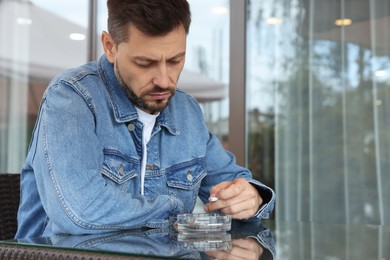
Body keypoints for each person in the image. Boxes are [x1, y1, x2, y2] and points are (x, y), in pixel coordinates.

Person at [15, 0, 275, 239]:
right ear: (110, 47)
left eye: (175, 60)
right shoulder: (72, 97)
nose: (164, 80)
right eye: (144, 63)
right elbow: (80, 214)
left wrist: (252, 197)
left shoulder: (187, 110)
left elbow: (234, 181)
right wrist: (177, 215)